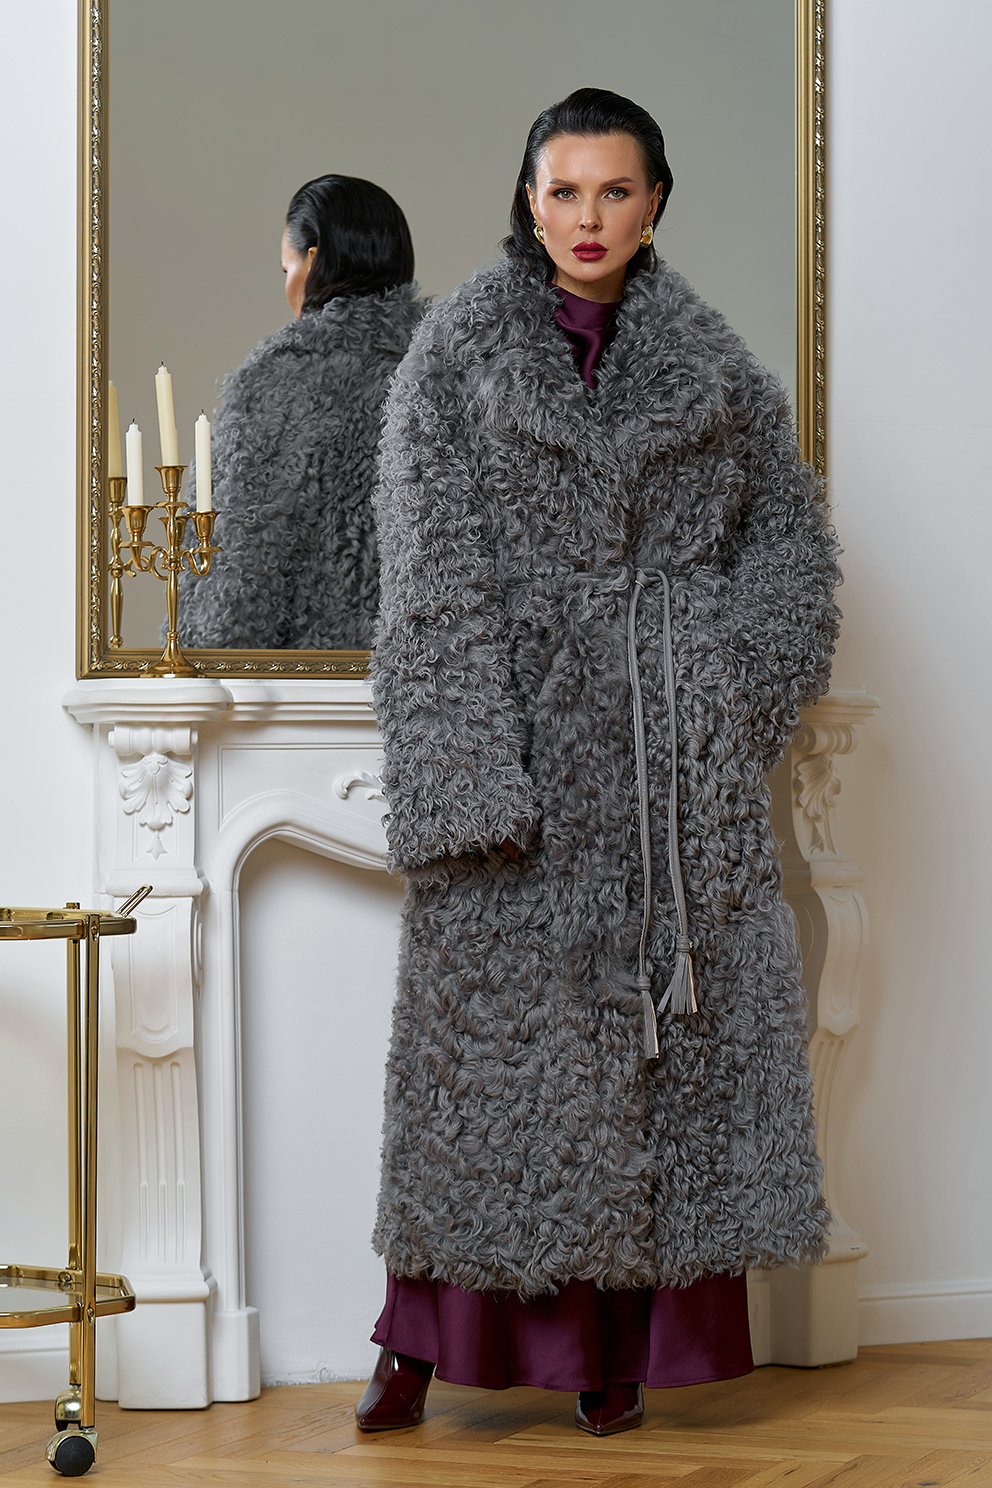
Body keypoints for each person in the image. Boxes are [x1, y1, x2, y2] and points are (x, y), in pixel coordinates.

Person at [360, 88, 840, 1438]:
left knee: (661, 1071)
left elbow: (789, 550)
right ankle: (420, 1343)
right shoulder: (456, 353)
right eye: (563, 191)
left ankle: (619, 1351)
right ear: (528, 200)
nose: (587, 218)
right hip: (517, 763)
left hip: (663, 779)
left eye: (614, 191)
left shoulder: (714, 369)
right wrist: (467, 777)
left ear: (654, 203)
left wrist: (722, 684)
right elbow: (426, 576)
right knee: (481, 1084)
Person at [178, 175, 423, 650]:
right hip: (431, 677)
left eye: (286, 268)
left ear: (313, 260)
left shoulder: (281, 380)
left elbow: (241, 561)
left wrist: (208, 659)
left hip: (305, 682)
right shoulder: (449, 373)